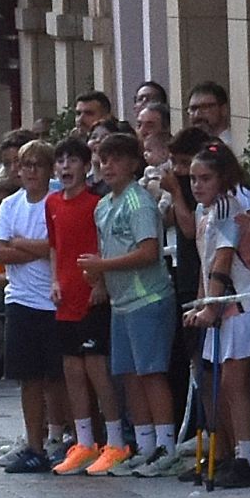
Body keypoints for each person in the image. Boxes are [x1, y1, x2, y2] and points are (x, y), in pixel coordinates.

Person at [77, 132, 176, 476]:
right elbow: (109, 250)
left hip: (147, 298)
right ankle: (145, 444)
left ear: (134, 164)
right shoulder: (103, 206)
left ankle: (165, 444)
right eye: (104, 160)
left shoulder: (139, 202)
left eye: (117, 159)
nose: (108, 166)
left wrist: (102, 266)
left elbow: (148, 252)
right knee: (129, 375)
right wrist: (99, 278)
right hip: (121, 303)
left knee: (150, 373)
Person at [180, 141, 250, 486]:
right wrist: (201, 304)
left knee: (236, 384)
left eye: (205, 178)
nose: (197, 185)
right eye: (192, 179)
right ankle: (233, 454)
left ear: (222, 179)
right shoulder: (204, 212)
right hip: (222, 306)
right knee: (223, 384)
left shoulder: (226, 207)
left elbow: (223, 260)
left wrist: (211, 307)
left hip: (242, 302)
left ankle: (247, 459)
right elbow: (206, 267)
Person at [45, 138, 122, 474]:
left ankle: (116, 441)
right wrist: (55, 281)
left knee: (96, 370)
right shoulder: (52, 203)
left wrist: (101, 282)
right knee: (72, 371)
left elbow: (105, 245)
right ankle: (85, 442)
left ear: (85, 165)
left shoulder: (98, 204)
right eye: (60, 161)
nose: (65, 167)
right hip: (66, 297)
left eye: (72, 160)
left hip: (92, 296)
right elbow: (54, 246)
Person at [0, 141, 61, 473]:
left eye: (38, 165)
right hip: (20, 299)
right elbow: (0, 254)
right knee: (29, 378)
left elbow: (59, 245)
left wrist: (20, 243)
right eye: (26, 165)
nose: (31, 171)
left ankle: (62, 438)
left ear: (49, 169)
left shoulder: (57, 201)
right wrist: (38, 249)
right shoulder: (9, 205)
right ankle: (34, 444)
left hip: (55, 299)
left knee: (59, 376)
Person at [185, 80, 237, 148]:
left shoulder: (234, 146)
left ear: (223, 109)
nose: (197, 114)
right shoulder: (190, 147)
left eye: (205, 107)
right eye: (193, 108)